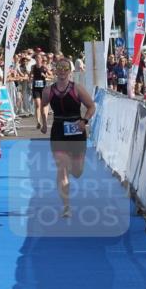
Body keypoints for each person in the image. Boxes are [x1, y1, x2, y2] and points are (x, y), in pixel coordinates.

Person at [42, 58, 95, 218]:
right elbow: (43, 105)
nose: (62, 72)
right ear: (55, 71)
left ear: (70, 71)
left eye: (66, 69)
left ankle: (73, 168)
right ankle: (66, 206)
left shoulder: (77, 88)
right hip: (58, 131)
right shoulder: (48, 91)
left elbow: (91, 106)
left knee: (77, 171)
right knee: (62, 167)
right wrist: (44, 122)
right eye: (60, 68)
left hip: (76, 131)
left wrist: (84, 120)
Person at [30, 53, 50, 133]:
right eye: (36, 58)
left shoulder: (44, 67)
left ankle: (44, 120)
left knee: (44, 105)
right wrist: (30, 77)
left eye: (39, 58)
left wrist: (44, 76)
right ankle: (38, 122)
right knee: (38, 104)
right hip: (36, 88)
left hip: (43, 88)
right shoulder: (33, 67)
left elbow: (51, 76)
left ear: (41, 59)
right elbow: (30, 75)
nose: (38, 59)